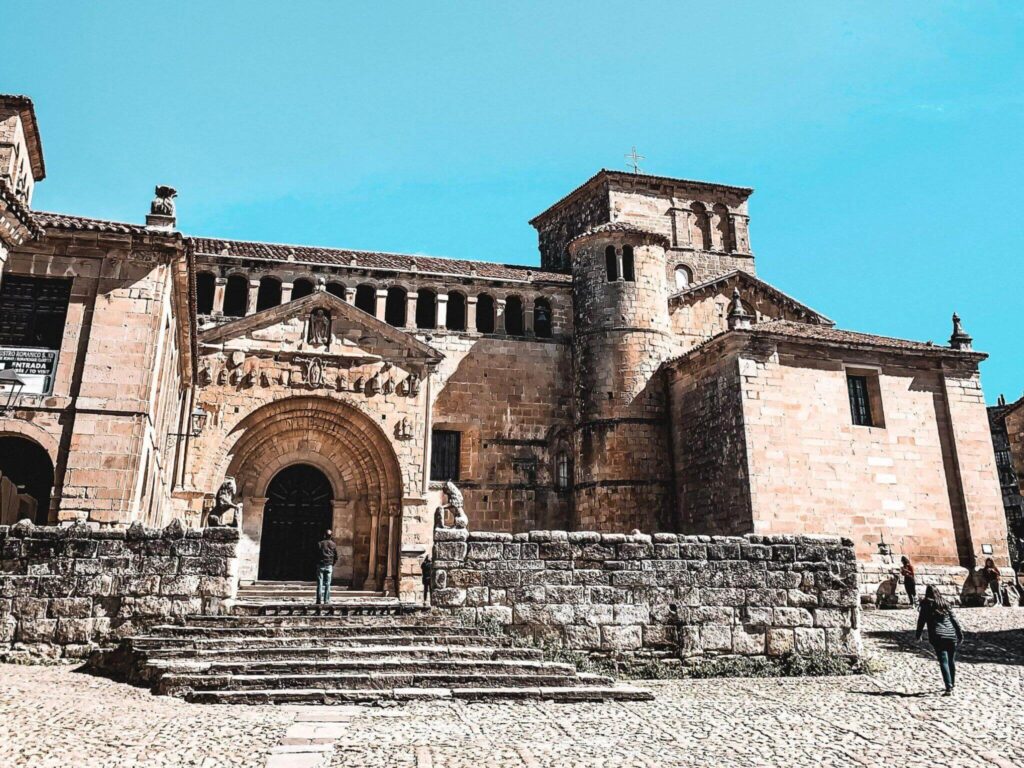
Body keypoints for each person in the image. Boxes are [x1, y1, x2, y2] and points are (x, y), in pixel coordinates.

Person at [915, 585, 964, 695]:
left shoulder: (926, 605)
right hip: (951, 635)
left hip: (938, 636)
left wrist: (918, 635)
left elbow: (921, 621)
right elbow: (954, 620)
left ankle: (948, 687)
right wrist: (959, 634)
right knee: (951, 660)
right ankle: (952, 683)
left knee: (943, 661)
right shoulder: (945, 603)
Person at [316, 529, 337, 606]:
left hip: (321, 564)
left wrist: (318, 562)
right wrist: (332, 563)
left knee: (320, 583)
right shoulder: (333, 544)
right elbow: (336, 556)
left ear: (324, 535)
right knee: (328, 583)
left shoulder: (320, 544)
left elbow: (316, 554)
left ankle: (318, 600)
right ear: (331, 536)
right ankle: (326, 600)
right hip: (329, 565)